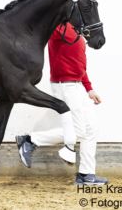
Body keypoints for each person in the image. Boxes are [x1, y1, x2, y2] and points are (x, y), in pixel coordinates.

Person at [16, 22, 108, 185]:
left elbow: (79, 63)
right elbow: (35, 31)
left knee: (91, 128)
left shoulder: (77, 29)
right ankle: (30, 140)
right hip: (64, 85)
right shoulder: (57, 27)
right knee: (78, 130)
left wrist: (89, 89)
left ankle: (86, 175)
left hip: (77, 85)